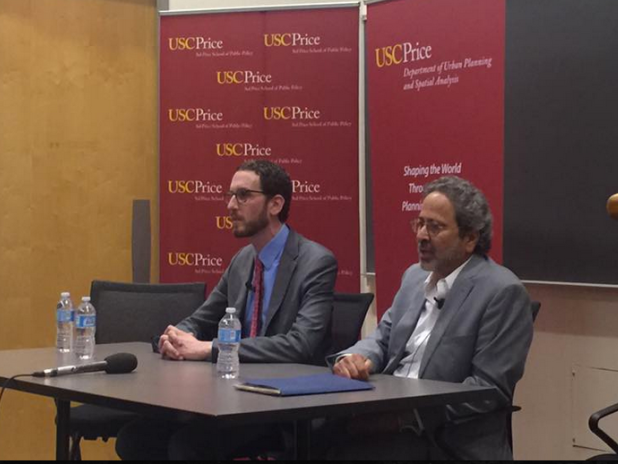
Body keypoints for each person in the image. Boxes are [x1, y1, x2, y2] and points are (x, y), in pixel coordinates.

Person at [116, 159, 338, 460]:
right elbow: (202, 318)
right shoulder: (243, 261)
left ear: (275, 204)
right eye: (230, 195)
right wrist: (177, 337)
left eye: (243, 195)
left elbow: (301, 345)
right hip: (229, 396)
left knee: (188, 446)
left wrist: (210, 349)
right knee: (136, 439)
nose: (231, 205)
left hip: (280, 406)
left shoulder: (316, 262)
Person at [327, 176, 533, 460]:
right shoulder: (414, 277)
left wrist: (408, 418)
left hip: (444, 439)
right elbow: (382, 337)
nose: (422, 235)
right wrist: (355, 358)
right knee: (309, 433)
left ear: (470, 238)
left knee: (336, 448)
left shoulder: (501, 292)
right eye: (420, 223)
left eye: (435, 227)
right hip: (383, 413)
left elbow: (488, 390)